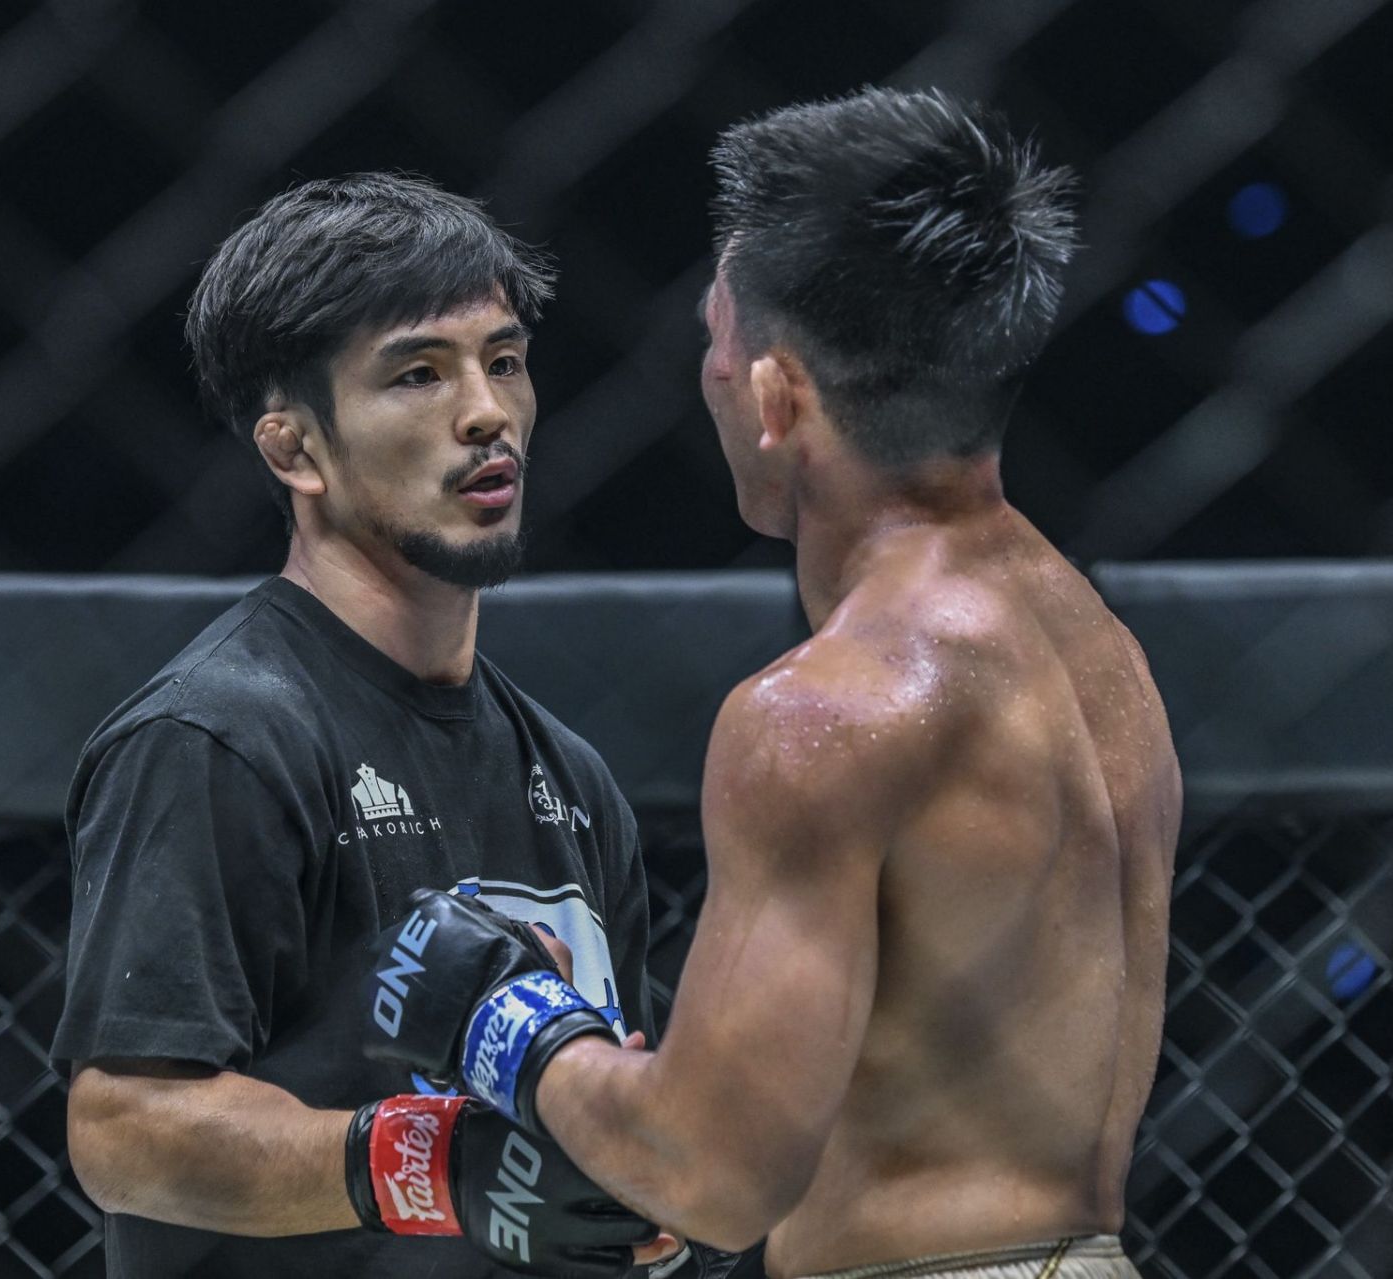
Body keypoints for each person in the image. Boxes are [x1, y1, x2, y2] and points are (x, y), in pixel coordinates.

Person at [361, 89, 1182, 1279]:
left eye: (718, 338)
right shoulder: (1098, 648)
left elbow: (710, 1177)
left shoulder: (825, 712)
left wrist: (507, 1020)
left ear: (778, 396)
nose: (710, 368)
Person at [51, 173, 688, 1277]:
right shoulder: (217, 735)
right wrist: (429, 1162)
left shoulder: (571, 779)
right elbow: (124, 1129)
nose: (486, 411)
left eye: (502, 360)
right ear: (296, 451)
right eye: (417, 373)